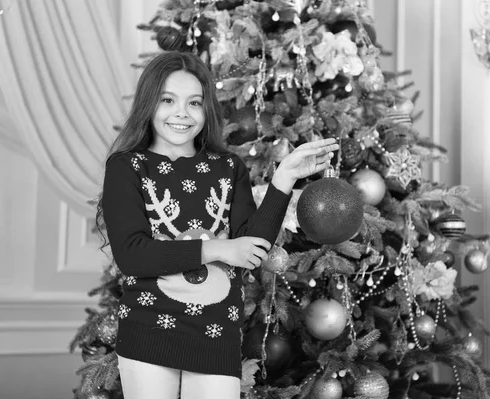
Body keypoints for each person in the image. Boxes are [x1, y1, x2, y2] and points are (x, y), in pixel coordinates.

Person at [97, 50, 339, 399]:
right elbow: (133, 255)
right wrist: (221, 249)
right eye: (168, 100)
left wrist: (283, 179)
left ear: (206, 110)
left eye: (194, 103)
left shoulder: (228, 168)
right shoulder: (128, 167)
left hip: (216, 336)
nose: (182, 112)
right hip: (148, 332)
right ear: (148, 105)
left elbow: (251, 250)